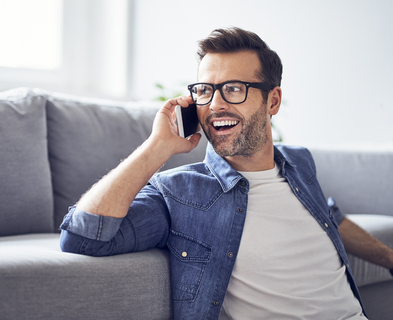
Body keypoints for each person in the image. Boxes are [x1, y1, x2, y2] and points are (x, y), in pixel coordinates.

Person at [60, 27, 371, 319]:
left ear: (272, 101)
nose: (215, 104)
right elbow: (83, 237)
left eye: (234, 89)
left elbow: (329, 216)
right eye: (205, 90)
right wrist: (157, 146)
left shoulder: (299, 163)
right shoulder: (180, 192)